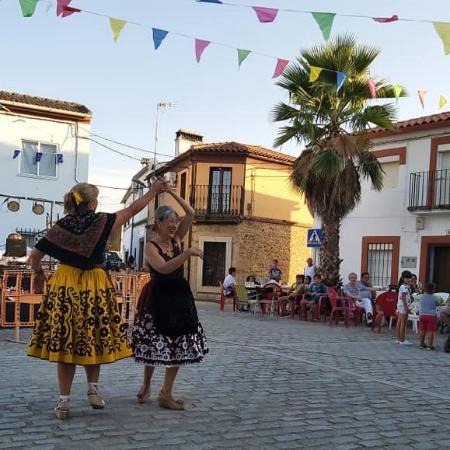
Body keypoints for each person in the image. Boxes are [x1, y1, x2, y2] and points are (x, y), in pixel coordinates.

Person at [27, 180, 167, 420]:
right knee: (94, 336)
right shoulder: (102, 221)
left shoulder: (59, 227)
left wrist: (39, 274)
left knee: (65, 341)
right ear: (92, 202)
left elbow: (35, 256)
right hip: (94, 284)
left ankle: (63, 402)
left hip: (66, 284)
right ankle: (93, 389)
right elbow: (133, 210)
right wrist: (154, 192)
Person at [132, 190, 208, 410]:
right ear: (159, 223)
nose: (174, 225)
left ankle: (166, 393)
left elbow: (191, 212)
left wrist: (170, 191)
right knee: (154, 344)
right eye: (170, 221)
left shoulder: (176, 240)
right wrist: (187, 254)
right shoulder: (150, 247)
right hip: (159, 296)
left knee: (175, 343)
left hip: (178, 296)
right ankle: (147, 385)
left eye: (176, 221)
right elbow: (164, 268)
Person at [419, 282, 439, 350]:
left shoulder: (422, 296)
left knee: (422, 330)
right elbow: (437, 304)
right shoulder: (435, 297)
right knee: (431, 331)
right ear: (433, 290)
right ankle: (429, 345)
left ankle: (421, 344)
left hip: (422, 315)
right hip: (431, 316)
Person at [396, 270, 413, 346]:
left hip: (400, 306)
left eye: (410, 278)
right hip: (403, 306)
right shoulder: (405, 287)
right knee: (403, 323)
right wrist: (407, 308)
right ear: (403, 278)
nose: (409, 279)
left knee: (399, 322)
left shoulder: (402, 286)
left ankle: (398, 339)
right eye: (407, 278)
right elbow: (403, 297)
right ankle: (402, 340)